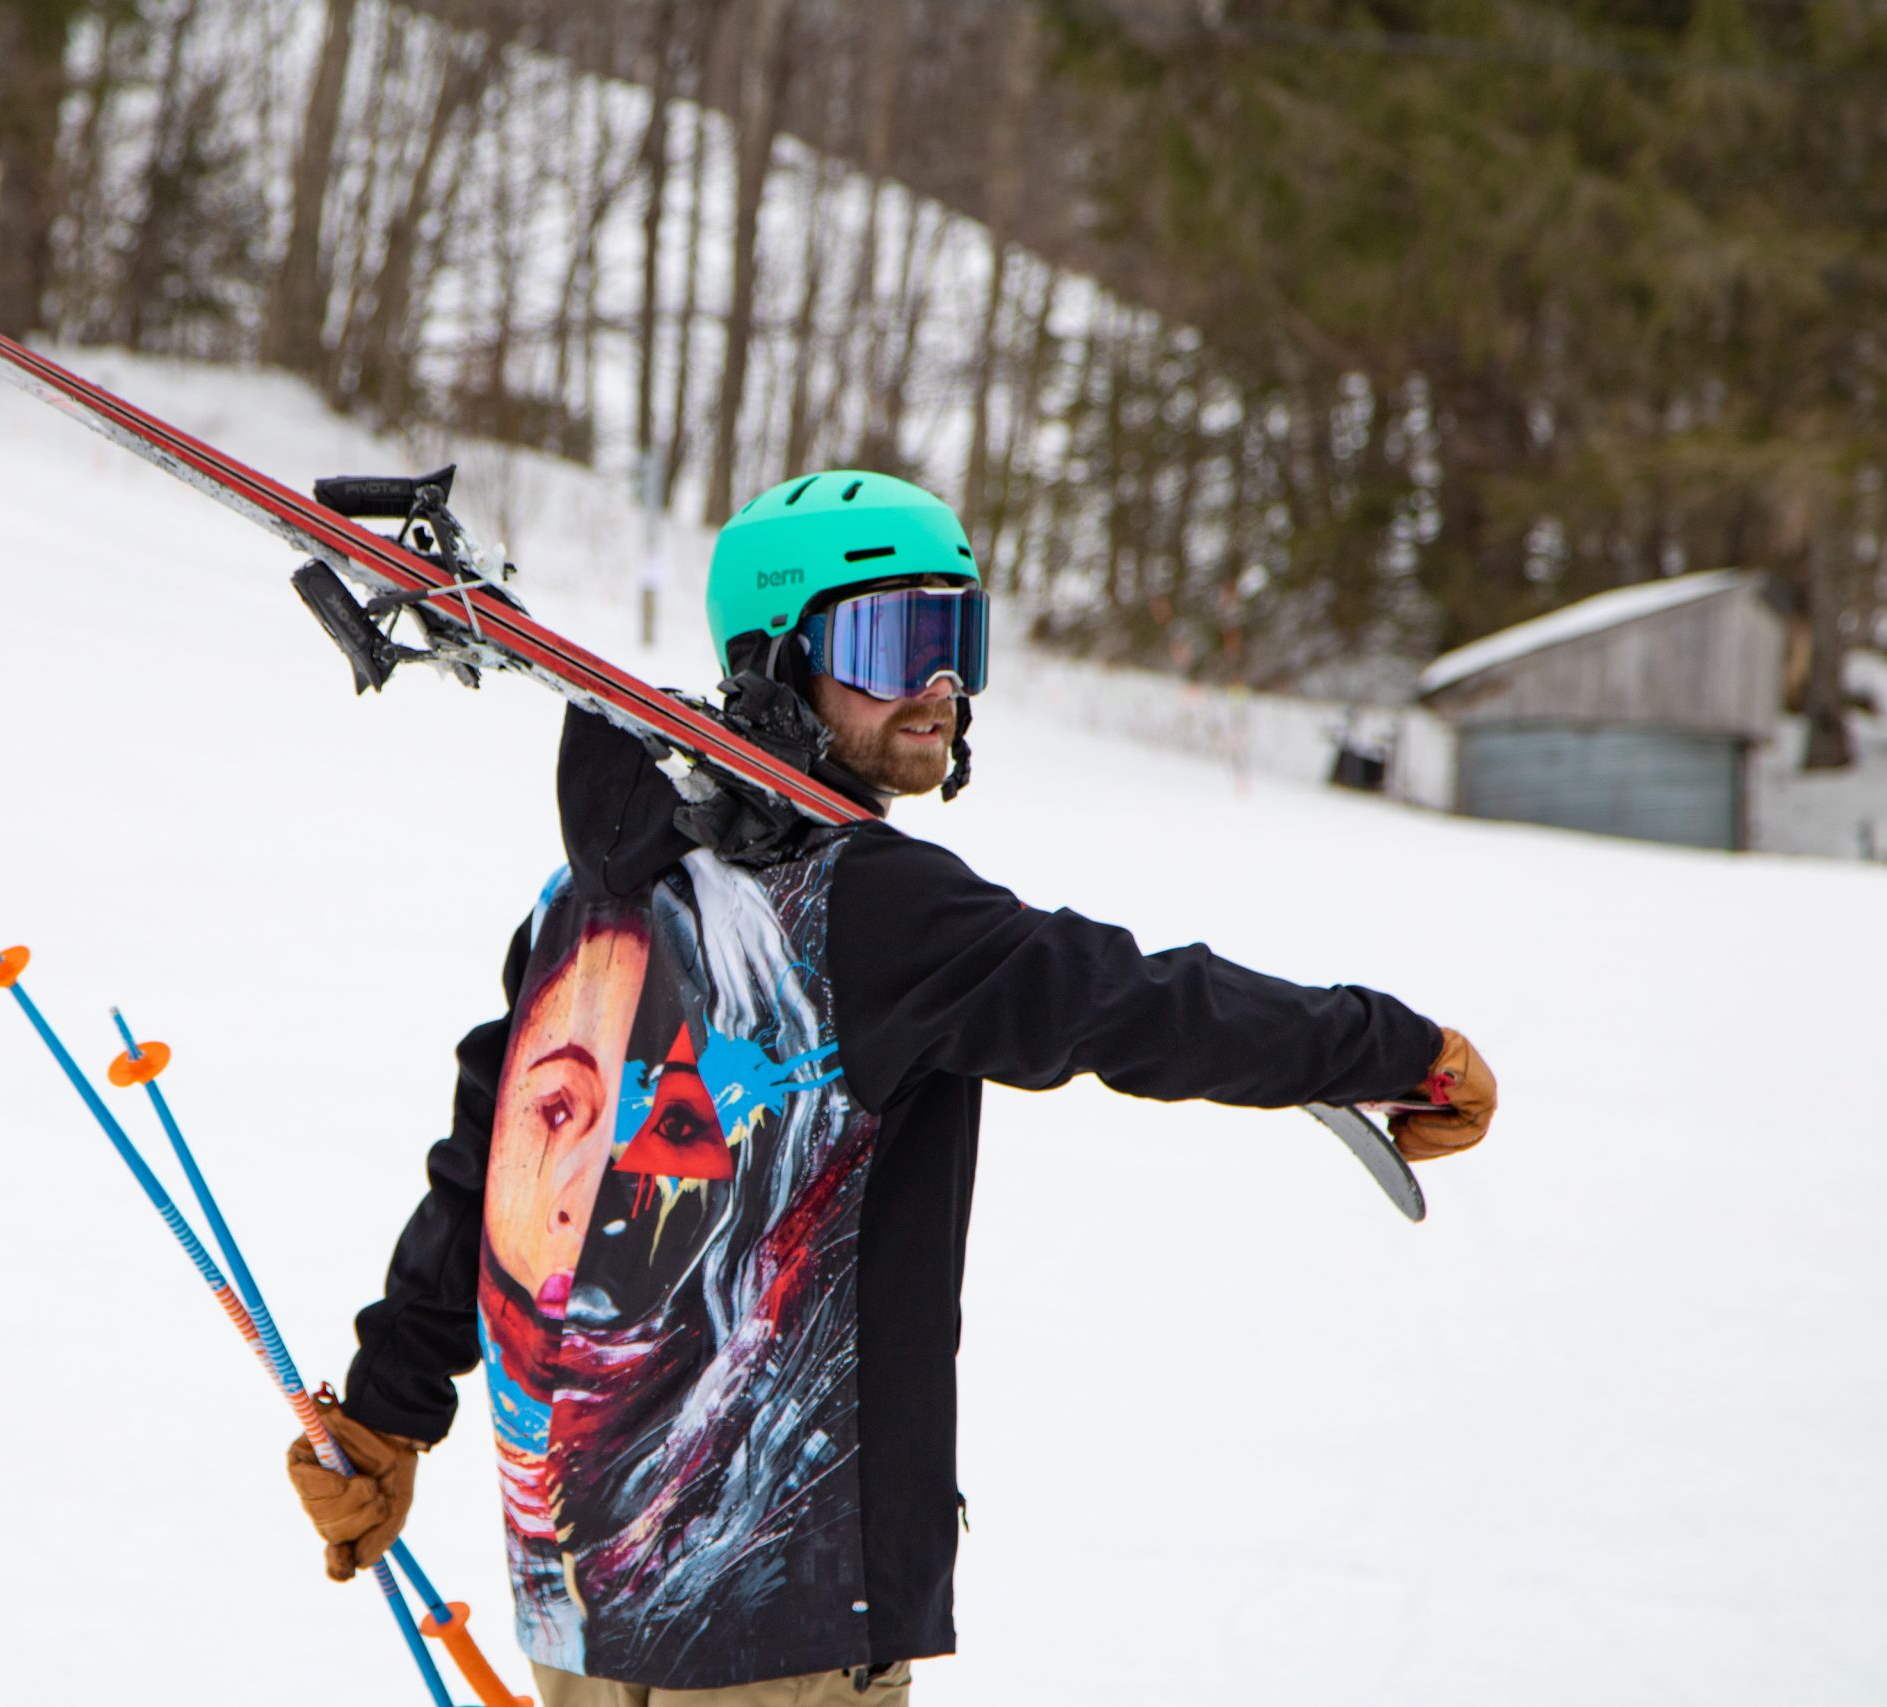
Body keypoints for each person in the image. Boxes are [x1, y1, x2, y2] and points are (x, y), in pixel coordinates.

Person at [284, 471, 1496, 1705]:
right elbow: (1128, 1002)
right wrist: (1391, 1046)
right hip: (783, 1619)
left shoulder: (583, 895)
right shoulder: (870, 904)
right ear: (778, 657)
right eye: (892, 641)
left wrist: (393, 1399)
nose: (939, 688)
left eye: (955, 640)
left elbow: (490, 1156)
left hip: (584, 1613)